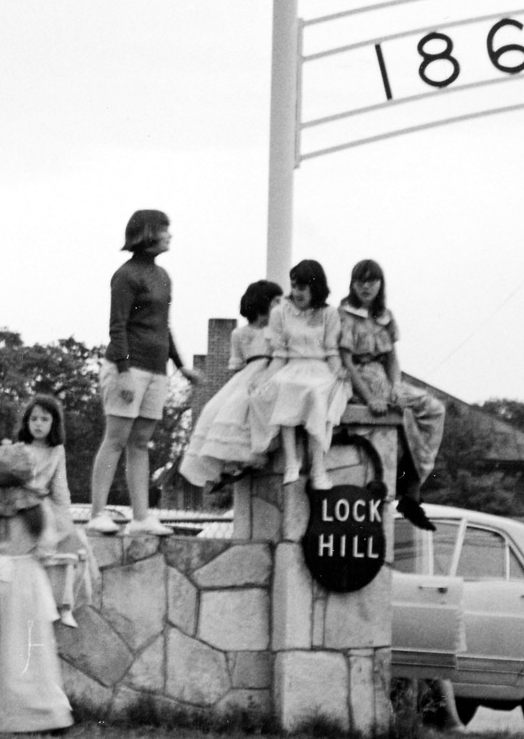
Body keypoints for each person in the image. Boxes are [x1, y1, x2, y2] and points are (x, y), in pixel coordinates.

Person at [88, 209, 197, 536]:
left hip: (156, 371)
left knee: (140, 443)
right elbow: (117, 326)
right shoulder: (125, 275)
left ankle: (141, 518)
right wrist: (122, 371)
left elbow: (164, 326)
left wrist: (181, 367)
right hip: (128, 367)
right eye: (165, 229)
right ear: (149, 233)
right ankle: (97, 513)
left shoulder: (163, 277)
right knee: (116, 438)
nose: (170, 235)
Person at [0, 441, 75, 733]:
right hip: (29, 577)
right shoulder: (38, 508)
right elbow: (47, 546)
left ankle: (0, 712)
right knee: (30, 645)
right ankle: (44, 711)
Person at [336, 259, 445, 527]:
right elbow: (346, 361)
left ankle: (413, 483)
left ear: (380, 284)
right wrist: (370, 397)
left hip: (384, 379)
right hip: (356, 380)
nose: (366, 286)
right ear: (352, 283)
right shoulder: (345, 314)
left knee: (433, 410)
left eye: (372, 281)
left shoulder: (385, 316)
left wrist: (396, 385)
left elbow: (392, 359)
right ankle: (408, 492)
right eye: (361, 280)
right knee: (403, 416)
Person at [251, 259, 348, 491]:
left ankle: (318, 467)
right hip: (291, 366)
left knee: (315, 393)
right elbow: (280, 355)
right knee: (283, 385)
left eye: (302, 287)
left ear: (315, 287)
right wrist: (263, 379)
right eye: (294, 286)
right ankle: (291, 462)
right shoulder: (280, 313)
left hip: (319, 368)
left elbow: (331, 351)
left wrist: (339, 371)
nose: (296, 292)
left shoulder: (329, 313)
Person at [177, 280, 283, 488]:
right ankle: (229, 462)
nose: (280, 306)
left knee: (251, 402)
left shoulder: (275, 330)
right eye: (276, 301)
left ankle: (250, 456)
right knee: (220, 408)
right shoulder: (240, 334)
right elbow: (237, 367)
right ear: (264, 302)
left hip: (270, 373)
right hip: (246, 376)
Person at [15, 394, 96, 627]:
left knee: (73, 545)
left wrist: (65, 516)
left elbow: (60, 487)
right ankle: (39, 605)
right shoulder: (20, 449)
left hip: (45, 505)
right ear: (27, 423)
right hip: (22, 505)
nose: (38, 424)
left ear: (53, 424)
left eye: (44, 419)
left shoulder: (56, 450)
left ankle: (65, 605)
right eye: (34, 419)